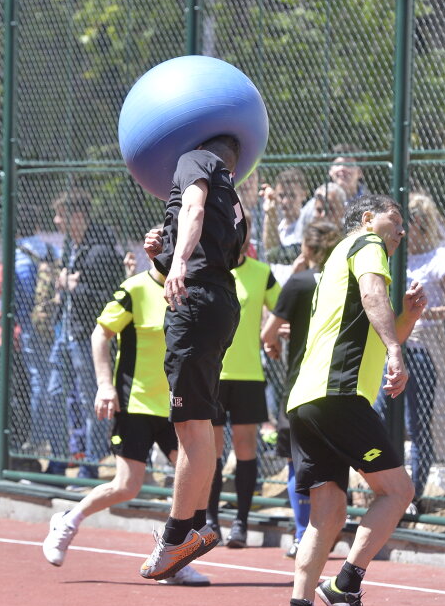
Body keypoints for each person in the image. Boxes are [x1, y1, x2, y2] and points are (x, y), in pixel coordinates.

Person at [270, 194, 426, 606]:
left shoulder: (339, 258)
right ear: (366, 219)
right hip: (338, 395)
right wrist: (398, 353)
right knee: (398, 492)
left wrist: (407, 322)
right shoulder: (366, 243)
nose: (400, 230)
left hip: (306, 401)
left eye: (403, 225)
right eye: (394, 221)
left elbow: (371, 331)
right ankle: (345, 584)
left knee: (329, 514)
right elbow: (372, 295)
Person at [41, 265, 209, 585]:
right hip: (135, 404)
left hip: (177, 404)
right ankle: (67, 521)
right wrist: (105, 386)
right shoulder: (133, 289)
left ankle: (173, 556)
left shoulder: (192, 291)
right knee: (127, 485)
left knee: (194, 480)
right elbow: (99, 334)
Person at [138, 134, 247, 581]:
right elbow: (231, 255)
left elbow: (193, 208)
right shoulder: (237, 201)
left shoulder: (194, 159)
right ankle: (196, 525)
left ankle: (179, 533)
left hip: (197, 302)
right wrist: (162, 255)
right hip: (218, 302)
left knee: (189, 425)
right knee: (197, 422)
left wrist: (178, 259)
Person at [261, 220, 342, 558]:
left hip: (301, 384)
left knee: (298, 463)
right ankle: (328, 532)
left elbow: (268, 333)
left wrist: (275, 343)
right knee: (333, 463)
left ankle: (300, 534)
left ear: (306, 249)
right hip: (339, 381)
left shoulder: (298, 282)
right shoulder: (345, 281)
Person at [206, 232, 280, 548]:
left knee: (246, 446)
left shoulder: (261, 273)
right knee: (212, 451)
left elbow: (283, 309)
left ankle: (241, 523)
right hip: (213, 373)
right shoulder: (207, 267)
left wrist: (275, 335)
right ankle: (209, 521)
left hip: (249, 374)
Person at [44, 190, 124, 479]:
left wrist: (74, 286)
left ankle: (91, 463)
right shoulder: (70, 247)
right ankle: (58, 460)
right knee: (52, 396)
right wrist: (62, 287)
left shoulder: (100, 250)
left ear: (78, 216)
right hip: (63, 333)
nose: (56, 221)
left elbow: (111, 297)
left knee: (94, 399)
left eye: (61, 215)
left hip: (87, 336)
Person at [391, 192, 445, 502]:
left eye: (405, 225)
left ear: (419, 224)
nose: (400, 232)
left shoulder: (439, 259)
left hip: (425, 342)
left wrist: (421, 312)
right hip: (396, 341)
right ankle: (389, 491)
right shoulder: (395, 256)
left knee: (420, 421)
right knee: (385, 417)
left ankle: (413, 496)